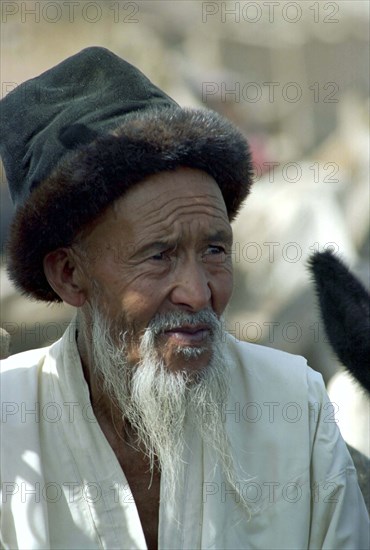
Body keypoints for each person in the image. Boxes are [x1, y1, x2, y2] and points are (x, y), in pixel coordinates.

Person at [0, 47, 368, 550]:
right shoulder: (9, 424)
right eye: (159, 256)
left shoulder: (294, 407)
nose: (199, 293)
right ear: (69, 275)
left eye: (215, 250)